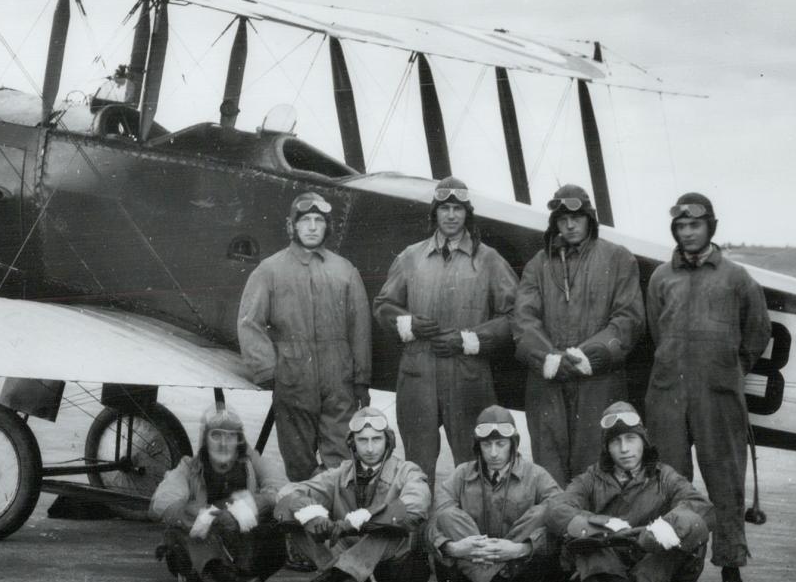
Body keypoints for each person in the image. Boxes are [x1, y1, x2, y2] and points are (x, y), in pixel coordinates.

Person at [644, 192, 771, 582]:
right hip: (668, 394)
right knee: (669, 484)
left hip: (718, 397)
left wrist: (726, 371)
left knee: (725, 483)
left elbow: (757, 333)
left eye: (695, 225)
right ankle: (668, 567)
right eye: (681, 227)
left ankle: (731, 570)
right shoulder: (662, 277)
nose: (688, 233)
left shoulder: (737, 277)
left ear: (709, 228)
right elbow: (656, 330)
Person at [373, 177, 518, 483]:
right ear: (435, 213)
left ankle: (471, 529)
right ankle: (418, 526)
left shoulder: (489, 260)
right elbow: (384, 305)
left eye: (458, 209)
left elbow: (514, 316)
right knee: (417, 466)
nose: (451, 215)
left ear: (467, 214)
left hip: (468, 378)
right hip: (417, 376)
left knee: (472, 467)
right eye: (445, 209)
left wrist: (469, 340)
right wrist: (408, 323)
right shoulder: (411, 257)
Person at [513, 183, 645, 486]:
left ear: (590, 219)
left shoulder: (618, 259)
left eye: (577, 217)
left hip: (598, 380)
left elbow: (629, 319)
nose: (570, 225)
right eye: (562, 219)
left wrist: (589, 355)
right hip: (548, 381)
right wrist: (549, 358)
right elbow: (523, 319)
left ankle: (593, 533)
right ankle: (559, 530)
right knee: (550, 469)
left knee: (596, 468)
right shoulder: (538, 264)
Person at [545, 401, 714, 582]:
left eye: (630, 439)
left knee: (695, 530)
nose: (624, 449)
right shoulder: (591, 478)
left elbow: (701, 506)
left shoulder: (664, 477)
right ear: (607, 447)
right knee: (580, 535)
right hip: (604, 570)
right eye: (616, 441)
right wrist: (603, 525)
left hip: (653, 579)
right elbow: (556, 508)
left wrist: (665, 528)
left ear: (643, 441)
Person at [237, 191, 372, 481]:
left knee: (342, 461)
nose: (312, 226)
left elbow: (360, 329)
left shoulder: (345, 271)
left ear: (327, 226)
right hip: (293, 380)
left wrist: (361, 380)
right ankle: (307, 517)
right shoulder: (270, 270)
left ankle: (338, 520)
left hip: (339, 382)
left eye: (319, 220)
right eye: (306, 220)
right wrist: (267, 371)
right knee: (298, 462)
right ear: (293, 226)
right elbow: (250, 322)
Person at [276, 407, 431, 582]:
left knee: (389, 527)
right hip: (356, 564)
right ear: (352, 443)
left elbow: (418, 502)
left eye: (376, 439)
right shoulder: (340, 473)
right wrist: (312, 515)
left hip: (398, 573)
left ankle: (327, 581)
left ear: (388, 441)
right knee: (297, 520)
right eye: (362, 440)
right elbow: (287, 492)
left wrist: (361, 521)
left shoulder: (406, 470)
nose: (369, 448)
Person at [427, 405, 564, 582]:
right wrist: (455, 547)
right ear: (477, 446)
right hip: (469, 569)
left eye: (500, 444)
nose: (493, 453)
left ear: (513, 444)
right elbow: (433, 523)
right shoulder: (461, 474)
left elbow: (562, 518)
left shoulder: (536, 475)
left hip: (519, 569)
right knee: (447, 516)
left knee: (545, 512)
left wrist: (520, 548)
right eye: (486, 444)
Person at [149, 405, 288, 582]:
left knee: (275, 535)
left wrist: (248, 507)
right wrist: (201, 516)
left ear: (239, 440)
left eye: (230, 436)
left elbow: (283, 489)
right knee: (176, 533)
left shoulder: (252, 461)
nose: (223, 443)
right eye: (216, 435)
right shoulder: (189, 466)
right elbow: (161, 503)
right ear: (205, 439)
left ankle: (199, 577)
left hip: (243, 546)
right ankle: (232, 581)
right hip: (205, 540)